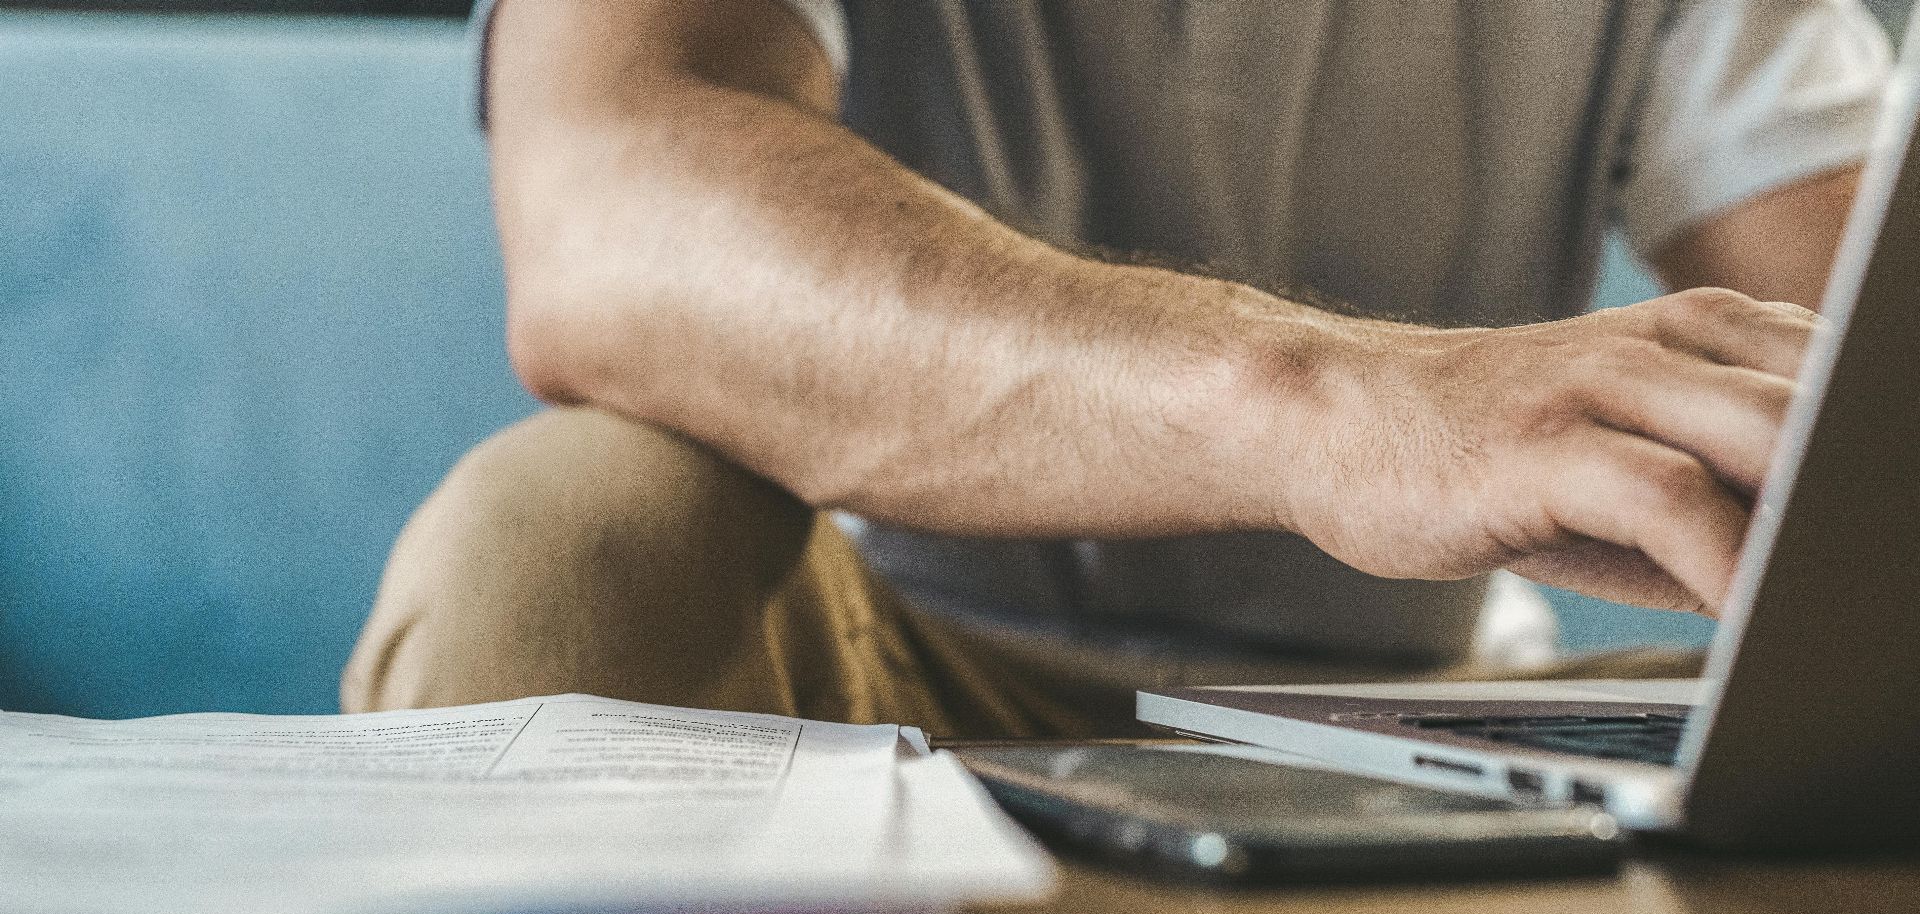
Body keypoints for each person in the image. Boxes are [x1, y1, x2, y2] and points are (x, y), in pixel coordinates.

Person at [343, 0, 1891, 738]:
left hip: (1445, 726)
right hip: (879, 693)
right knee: (563, 548)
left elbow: (1873, 365)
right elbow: (611, 219)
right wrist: (1338, 410)